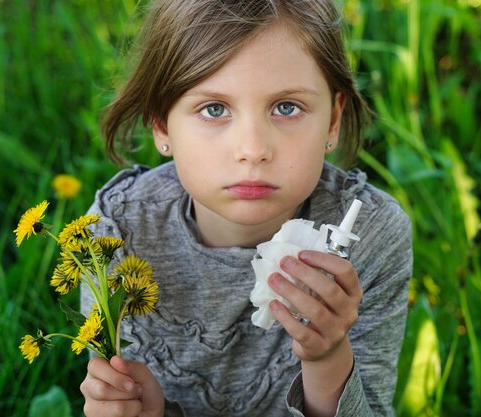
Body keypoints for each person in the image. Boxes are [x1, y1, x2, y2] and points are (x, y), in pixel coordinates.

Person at [79, 1, 413, 416]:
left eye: (286, 107)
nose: (253, 150)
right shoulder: (120, 232)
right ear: (162, 125)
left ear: (332, 121)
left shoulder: (372, 237)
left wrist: (327, 356)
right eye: (214, 109)